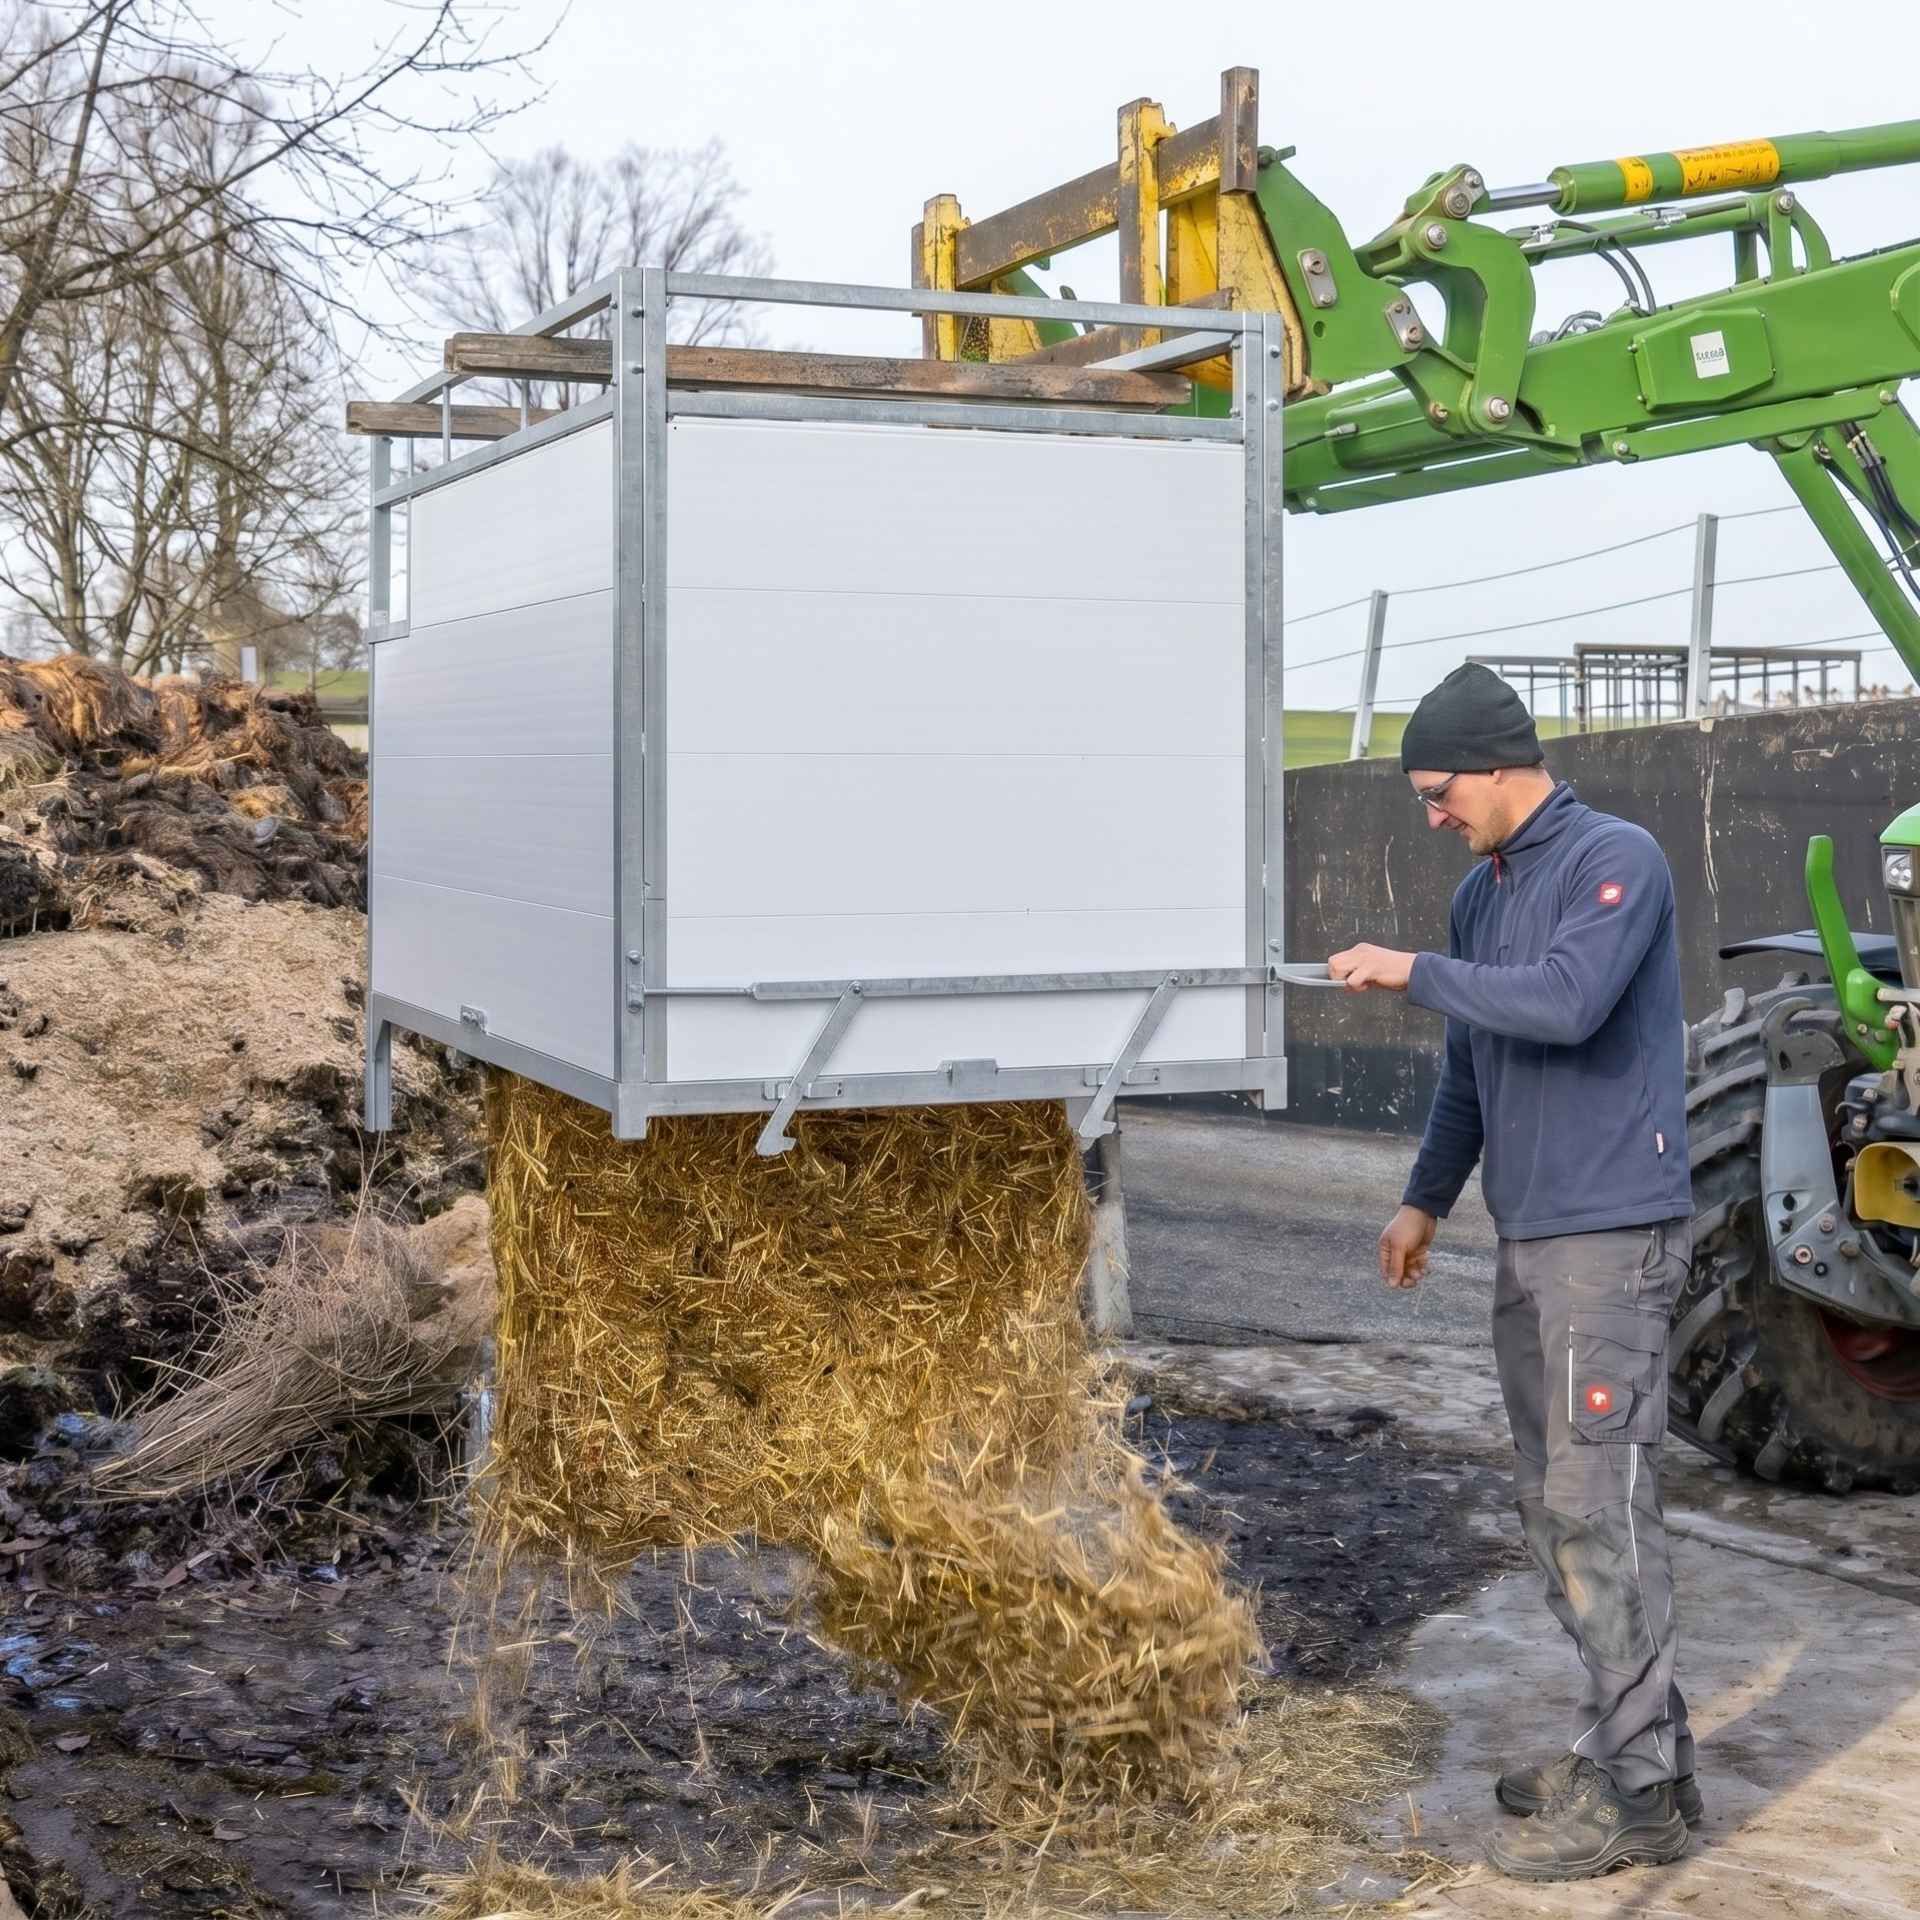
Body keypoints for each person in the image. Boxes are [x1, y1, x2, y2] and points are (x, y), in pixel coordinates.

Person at [1327, 663, 1698, 1883]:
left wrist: (1407, 968)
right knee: (1555, 1510)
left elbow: (1570, 1002)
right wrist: (1424, 1197)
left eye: (1439, 792)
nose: (1432, 815)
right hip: (1533, 1237)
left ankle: (1642, 1797)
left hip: (1612, 1238)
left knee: (1600, 1510)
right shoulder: (1482, 901)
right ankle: (1630, 1747)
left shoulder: (1619, 859)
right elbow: (1473, 1066)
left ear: (1496, 766)